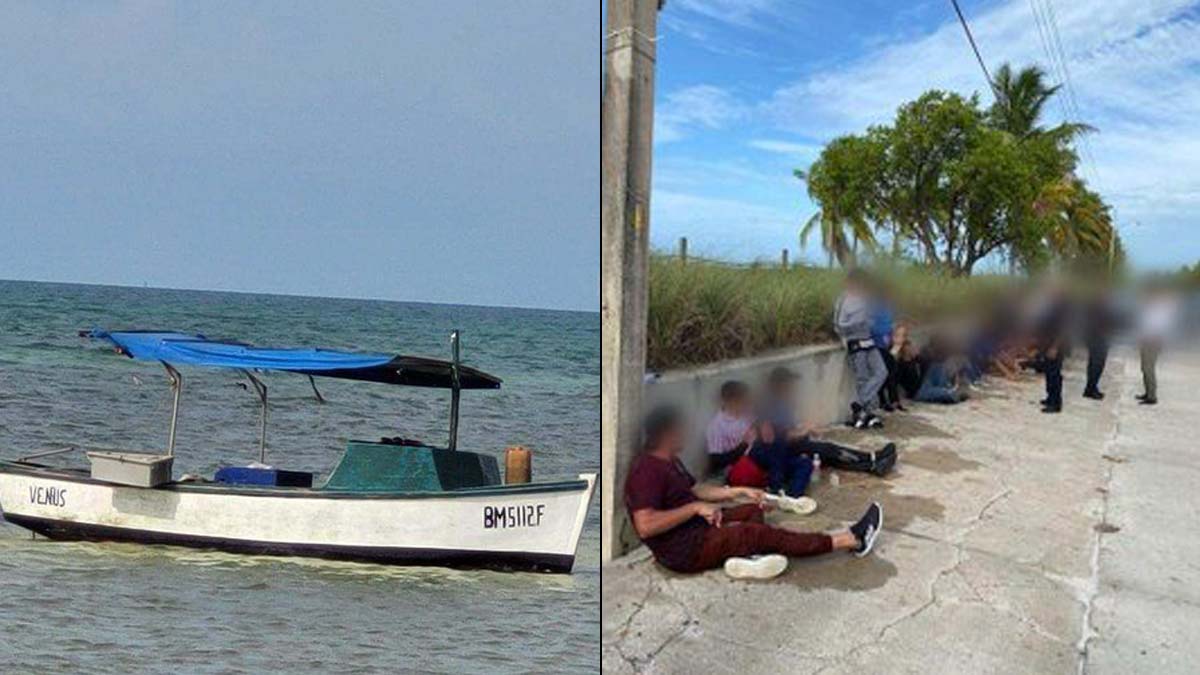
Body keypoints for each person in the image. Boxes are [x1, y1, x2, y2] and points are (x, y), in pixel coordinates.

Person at [625, 406, 883, 578]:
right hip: (685, 551)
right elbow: (645, 525)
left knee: (753, 509)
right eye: (682, 428)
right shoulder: (646, 470)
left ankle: (749, 557)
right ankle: (850, 539)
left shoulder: (670, 459)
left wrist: (739, 491)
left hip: (698, 529)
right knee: (758, 533)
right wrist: (694, 508)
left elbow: (695, 489)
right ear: (668, 433)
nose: (688, 433)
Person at [834, 270, 888, 428]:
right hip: (855, 342)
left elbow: (873, 319)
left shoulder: (866, 299)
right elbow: (839, 326)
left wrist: (870, 321)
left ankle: (859, 404)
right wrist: (857, 322)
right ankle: (867, 413)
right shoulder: (843, 300)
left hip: (869, 341)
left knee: (881, 371)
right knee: (862, 378)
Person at [1137, 284, 1179, 405]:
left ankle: (1152, 397)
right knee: (1144, 368)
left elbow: (1161, 328)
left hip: (1152, 342)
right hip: (1146, 340)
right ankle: (1148, 392)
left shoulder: (1161, 310)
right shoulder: (1150, 308)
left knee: (1148, 368)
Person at [705, 380, 756, 475]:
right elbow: (717, 460)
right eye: (745, 400)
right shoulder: (717, 425)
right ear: (733, 401)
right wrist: (743, 445)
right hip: (736, 468)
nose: (748, 403)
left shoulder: (748, 415)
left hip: (756, 459)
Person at [872, 291, 903, 412]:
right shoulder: (875, 308)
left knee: (892, 371)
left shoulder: (888, 309)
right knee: (884, 372)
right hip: (877, 346)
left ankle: (893, 400)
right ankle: (885, 401)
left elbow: (890, 326)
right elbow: (874, 327)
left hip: (886, 345)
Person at [1082, 290, 1115, 400]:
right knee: (1096, 366)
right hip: (1098, 340)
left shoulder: (1096, 308)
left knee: (1094, 366)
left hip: (1097, 340)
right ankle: (1091, 389)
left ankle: (1090, 388)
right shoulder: (1097, 309)